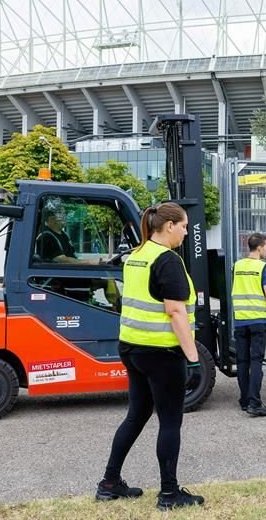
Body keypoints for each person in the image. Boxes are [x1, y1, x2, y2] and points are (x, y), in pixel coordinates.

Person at [95, 202, 205, 511]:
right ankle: (169, 494)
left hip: (131, 347)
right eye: (183, 226)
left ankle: (109, 483)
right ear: (169, 226)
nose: (186, 232)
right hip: (161, 352)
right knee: (170, 422)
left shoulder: (136, 257)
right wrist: (193, 358)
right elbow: (175, 311)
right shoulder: (167, 260)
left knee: (137, 414)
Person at [232, 232, 266, 417]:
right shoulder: (263, 267)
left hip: (240, 321)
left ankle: (244, 400)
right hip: (257, 321)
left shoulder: (236, 266)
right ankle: (255, 403)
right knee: (256, 362)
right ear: (259, 247)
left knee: (242, 362)